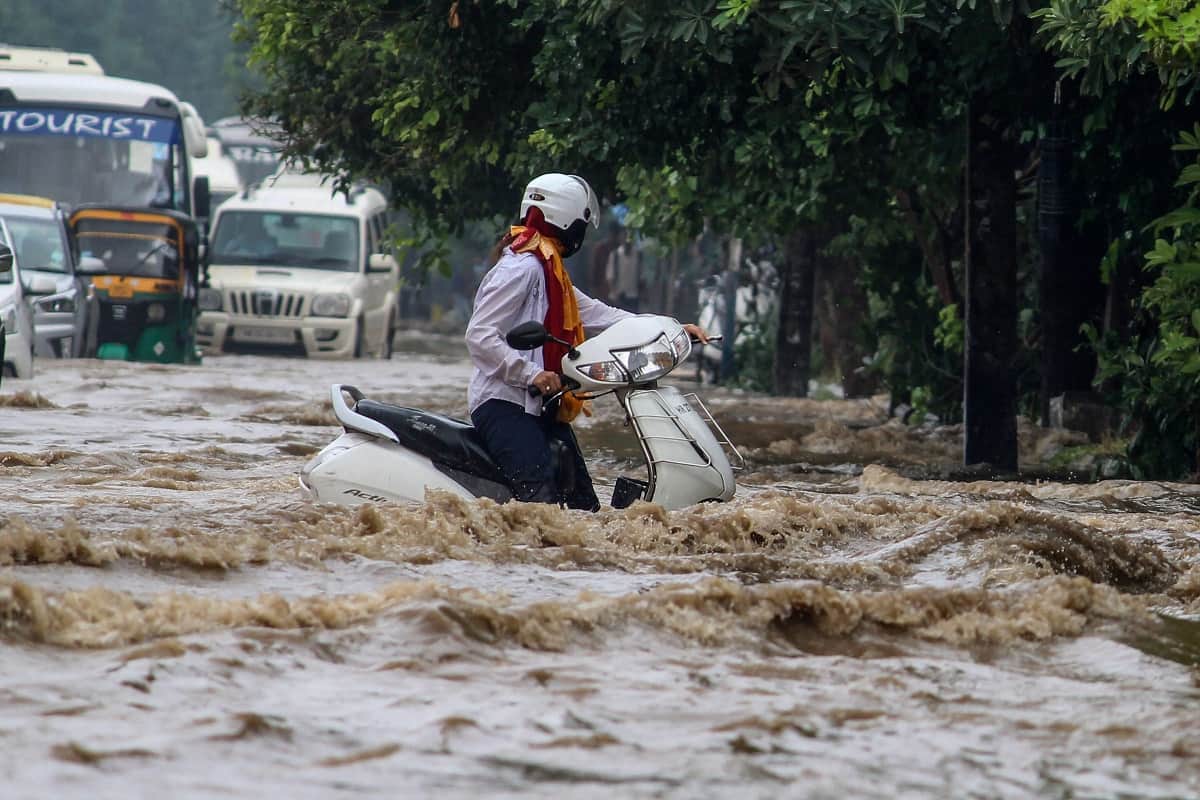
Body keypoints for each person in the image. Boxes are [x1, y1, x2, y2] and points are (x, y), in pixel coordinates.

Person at [465, 173, 707, 510]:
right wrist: (530, 374)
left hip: (539, 405)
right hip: (504, 405)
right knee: (541, 506)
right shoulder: (521, 268)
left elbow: (598, 313)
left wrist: (669, 328)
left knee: (584, 508)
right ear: (568, 221)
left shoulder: (549, 270)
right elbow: (479, 335)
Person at [606, 235, 642, 312]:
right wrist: (614, 293)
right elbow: (610, 276)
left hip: (633, 296)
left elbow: (641, 275)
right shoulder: (615, 255)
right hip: (619, 296)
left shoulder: (638, 255)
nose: (627, 241)